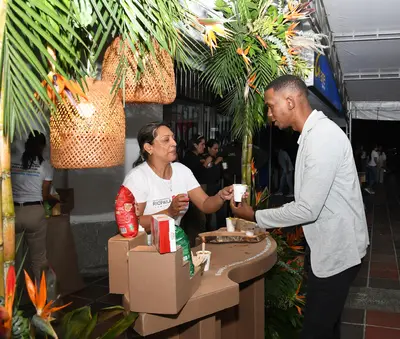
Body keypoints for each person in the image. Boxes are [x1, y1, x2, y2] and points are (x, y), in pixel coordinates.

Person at [230, 75, 369, 339]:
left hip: (338, 254)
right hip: (331, 249)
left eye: (271, 106)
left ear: (291, 101)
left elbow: (307, 209)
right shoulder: (311, 135)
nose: (269, 115)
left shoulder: (321, 138)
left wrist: (254, 214)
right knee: (328, 329)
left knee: (315, 332)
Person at [122, 123, 233, 242]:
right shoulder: (137, 178)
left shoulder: (181, 171)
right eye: (166, 140)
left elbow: (205, 204)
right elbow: (131, 224)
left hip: (175, 248)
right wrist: (168, 212)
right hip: (146, 252)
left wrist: (221, 196)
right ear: (149, 147)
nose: (174, 143)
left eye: (173, 138)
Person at [11, 131, 55, 282]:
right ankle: (41, 301)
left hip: (12, 213)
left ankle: (12, 301)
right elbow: (44, 195)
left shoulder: (11, 160)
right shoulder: (45, 166)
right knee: (38, 259)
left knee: (13, 259)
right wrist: (54, 200)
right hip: (34, 213)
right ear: (42, 146)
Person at [203, 139, 225, 230]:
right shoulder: (205, 158)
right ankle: (208, 228)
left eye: (217, 149)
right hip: (209, 185)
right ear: (208, 148)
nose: (216, 151)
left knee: (220, 207)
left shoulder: (217, 157)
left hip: (217, 184)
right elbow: (206, 171)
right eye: (215, 148)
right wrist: (216, 163)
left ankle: (219, 227)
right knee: (209, 208)